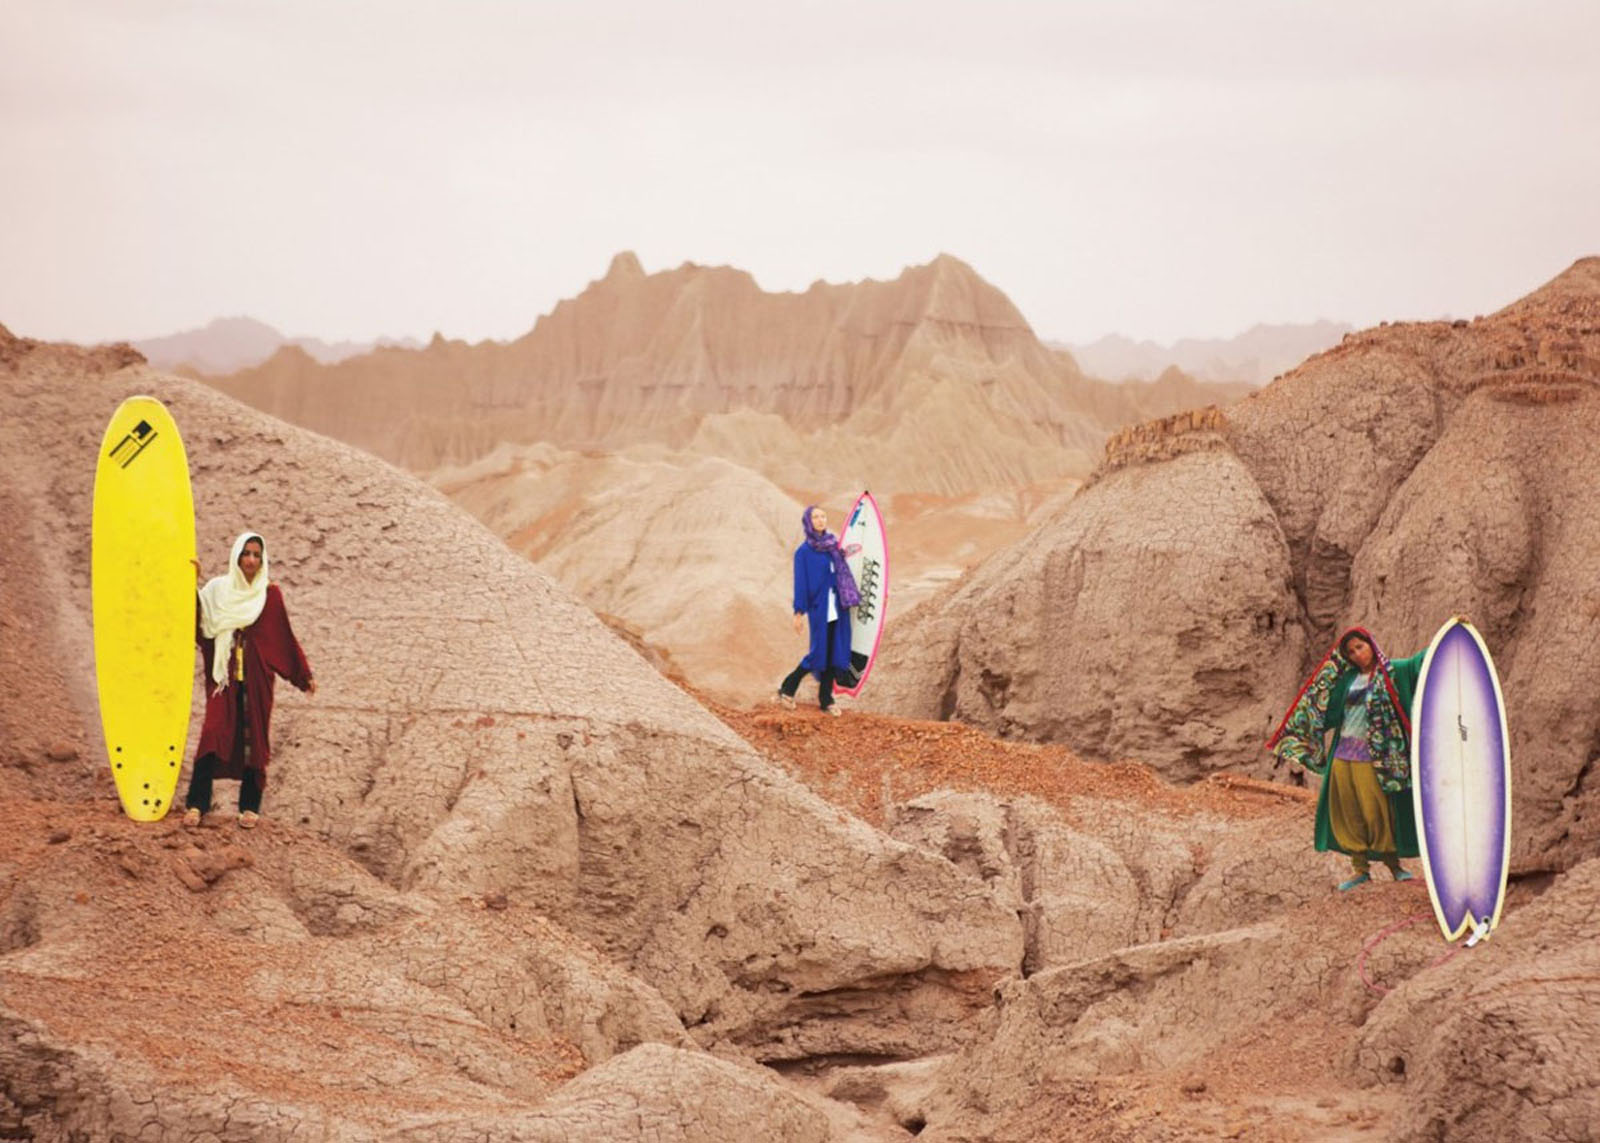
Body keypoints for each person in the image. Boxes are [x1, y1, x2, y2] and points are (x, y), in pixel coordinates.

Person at [1268, 626, 1424, 891]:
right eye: (1351, 652)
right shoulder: (1346, 681)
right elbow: (1321, 705)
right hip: (1343, 756)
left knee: (1377, 811)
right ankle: (1360, 870)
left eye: (1360, 647)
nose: (1357, 655)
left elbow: (1419, 664)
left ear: (1371, 645)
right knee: (1350, 811)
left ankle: (1393, 865)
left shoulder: (1392, 672)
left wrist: (1453, 632)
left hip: (1373, 757)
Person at [182, 533, 315, 828]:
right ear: (236, 557)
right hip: (223, 679)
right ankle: (196, 804)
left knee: (256, 738)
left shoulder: (269, 595)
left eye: (256, 554)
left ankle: (250, 807)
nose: (251, 560)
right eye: (246, 554)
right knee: (213, 733)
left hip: (257, 680)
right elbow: (199, 620)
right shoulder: (218, 589)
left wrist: (303, 676)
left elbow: (283, 640)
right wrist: (191, 582)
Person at [777, 505, 859, 716]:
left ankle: (826, 699)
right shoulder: (803, 553)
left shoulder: (833, 547)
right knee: (818, 653)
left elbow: (847, 574)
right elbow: (801, 584)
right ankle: (787, 688)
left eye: (823, 516)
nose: (820, 520)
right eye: (815, 517)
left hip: (838, 607)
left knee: (835, 652)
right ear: (808, 521)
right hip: (819, 608)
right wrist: (798, 613)